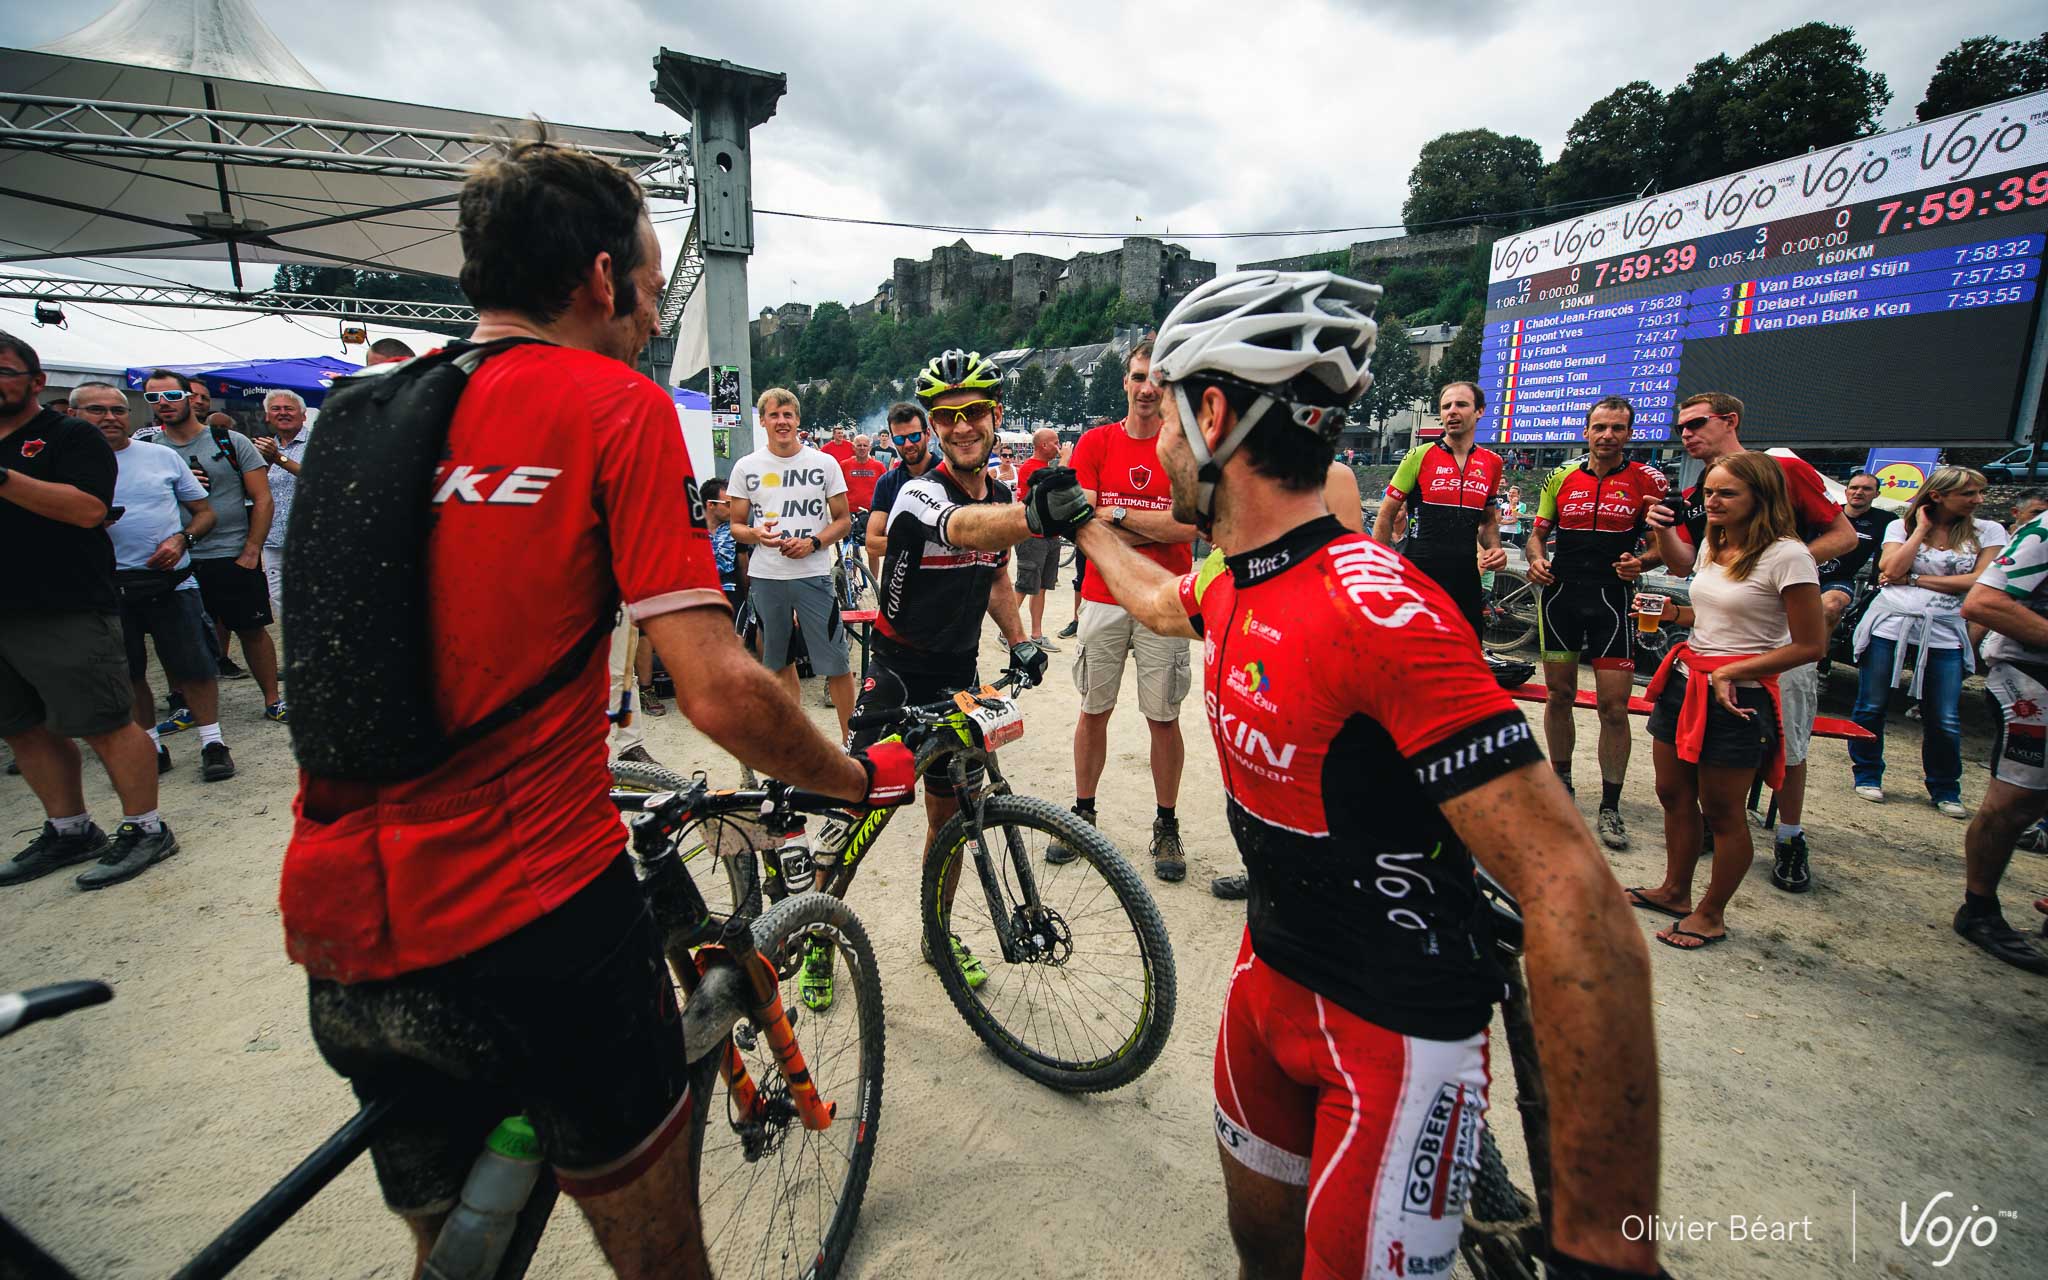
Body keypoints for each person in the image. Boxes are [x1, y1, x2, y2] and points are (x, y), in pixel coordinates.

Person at [280, 134, 914, 1279]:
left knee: (458, 1253)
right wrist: (851, 776)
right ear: (597, 280)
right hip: (530, 911)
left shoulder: (352, 416)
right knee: (658, 1249)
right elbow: (718, 686)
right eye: (647, 286)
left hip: (340, 925)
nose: (650, 318)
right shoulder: (610, 404)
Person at [1073, 271, 1661, 1280]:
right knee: (1261, 1244)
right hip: (1268, 978)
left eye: (1165, 415)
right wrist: (1078, 523)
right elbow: (1166, 602)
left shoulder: (1376, 610)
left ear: (1210, 414)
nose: (1156, 446)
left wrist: (1605, 1240)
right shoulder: (1240, 568)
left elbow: (1574, 890)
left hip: (1391, 1033)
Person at [830, 348, 1073, 1005]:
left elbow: (995, 571)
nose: (962, 426)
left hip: (959, 679)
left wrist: (1021, 642)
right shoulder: (916, 492)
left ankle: (936, 937)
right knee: (857, 815)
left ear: (996, 417)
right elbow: (965, 532)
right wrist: (1034, 516)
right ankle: (818, 939)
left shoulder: (997, 493)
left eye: (974, 413)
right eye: (947, 417)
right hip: (898, 675)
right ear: (933, 428)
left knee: (953, 820)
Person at [1645, 392, 1853, 893]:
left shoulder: (1779, 467)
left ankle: (1789, 837)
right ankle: (1685, 876)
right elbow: (1686, 568)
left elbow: (1844, 537)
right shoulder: (1707, 506)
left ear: (1730, 421)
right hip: (1703, 660)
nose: (1687, 434)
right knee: (1684, 787)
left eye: (1696, 423)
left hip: (1771, 651)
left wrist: (1775, 572)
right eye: (1681, 427)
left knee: (1792, 745)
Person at [1, 340, 183, 889]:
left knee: (105, 720)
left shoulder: (69, 437)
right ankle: (71, 828)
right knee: (22, 727)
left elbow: (88, 510)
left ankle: (147, 828)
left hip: (62, 603)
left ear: (36, 381)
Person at [1634, 452, 1826, 947]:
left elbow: (1811, 644)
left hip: (1739, 696)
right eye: (1709, 493)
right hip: (1685, 680)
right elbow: (1707, 617)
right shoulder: (1714, 544)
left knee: (1722, 811)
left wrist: (1734, 670)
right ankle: (1676, 890)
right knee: (1672, 793)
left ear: (1760, 498)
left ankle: (1711, 913)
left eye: (1726, 494)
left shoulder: (1789, 555)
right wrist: (1671, 611)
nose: (1711, 502)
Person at [1061, 338, 1200, 882]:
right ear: (1125, 382)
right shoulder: (1095, 441)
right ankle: (1083, 813)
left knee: (1163, 716)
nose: (1147, 388)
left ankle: (1166, 824)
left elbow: (1190, 526)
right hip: (1102, 596)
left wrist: (1114, 517)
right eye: (1139, 376)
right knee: (1093, 709)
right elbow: (1079, 519)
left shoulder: (1182, 447)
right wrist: (1144, 521)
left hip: (1168, 599)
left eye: (1158, 380)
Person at [1524, 397, 1668, 850]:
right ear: (1586, 431)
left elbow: (1665, 546)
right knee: (1558, 695)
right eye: (1600, 427)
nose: (1607, 436)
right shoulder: (1560, 476)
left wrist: (1641, 562)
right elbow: (1536, 534)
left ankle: (1611, 805)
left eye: (1617, 428)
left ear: (1629, 434)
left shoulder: (1647, 480)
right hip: (1561, 597)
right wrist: (1534, 559)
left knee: (1614, 708)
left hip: (1611, 600)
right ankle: (1561, 783)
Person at [77, 380, 235, 785]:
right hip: (103, 585)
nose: (110, 418)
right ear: (75, 414)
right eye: (97, 410)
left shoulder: (160, 457)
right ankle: (150, 745)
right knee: (129, 671)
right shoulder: (65, 463)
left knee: (195, 666)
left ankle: (212, 743)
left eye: (117, 410)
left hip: (170, 580)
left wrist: (183, 538)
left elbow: (204, 512)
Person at [1847, 467, 2002, 816]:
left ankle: (1945, 787)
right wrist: (1921, 530)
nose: (1978, 500)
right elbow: (1888, 568)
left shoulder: (1988, 531)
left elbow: (1980, 581)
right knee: (1872, 704)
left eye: (1980, 493)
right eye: (1969, 494)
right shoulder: (1900, 526)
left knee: (1943, 714)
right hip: (1891, 622)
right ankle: (1868, 774)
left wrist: (1914, 579)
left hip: (1945, 628)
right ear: (1938, 495)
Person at [137, 369, 284, 729]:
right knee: (175, 637)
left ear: (191, 398)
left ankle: (273, 700)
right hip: (177, 559)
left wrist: (252, 550)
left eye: (171, 396)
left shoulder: (229, 441)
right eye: (153, 398)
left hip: (230, 553)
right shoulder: (150, 450)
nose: (163, 405)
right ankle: (184, 705)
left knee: (252, 629)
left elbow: (262, 499)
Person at [727, 388, 858, 740]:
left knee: (836, 664)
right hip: (767, 578)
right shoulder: (746, 467)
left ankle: (852, 744)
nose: (781, 421)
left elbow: (843, 520)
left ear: (798, 420)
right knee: (779, 662)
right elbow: (735, 524)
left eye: (787, 415)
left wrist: (814, 542)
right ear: (763, 421)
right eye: (774, 415)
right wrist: (756, 534)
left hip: (813, 574)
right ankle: (796, 743)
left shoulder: (823, 463)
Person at [1956, 511, 2048, 973]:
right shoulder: (2045, 531)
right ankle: (1979, 909)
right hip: (2033, 681)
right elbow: (1983, 603)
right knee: (2018, 802)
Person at [1372, 381, 1507, 635]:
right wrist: (1380, 567)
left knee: (1466, 659)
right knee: (1413, 659)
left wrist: (1495, 547)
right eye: (1446, 407)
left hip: (1465, 577)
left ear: (1480, 411)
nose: (1451, 412)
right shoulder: (1419, 455)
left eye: (1461, 405)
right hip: (1420, 574)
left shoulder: (1492, 463)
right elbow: (1387, 514)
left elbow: (1487, 521)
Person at [251, 389, 312, 627]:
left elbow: (315, 478)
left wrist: (278, 458)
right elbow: (253, 490)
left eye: (289, 408)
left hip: (309, 539)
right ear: (268, 416)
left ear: (303, 416)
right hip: (274, 541)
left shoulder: (319, 442)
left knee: (314, 600)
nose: (283, 413)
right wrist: (265, 460)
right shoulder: (260, 450)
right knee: (282, 603)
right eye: (276, 409)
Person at [1817, 471, 1897, 638]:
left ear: (1877, 494)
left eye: (1866, 489)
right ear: (1846, 492)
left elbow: (1885, 552)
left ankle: (1819, 657)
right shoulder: (1826, 512)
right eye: (1854, 487)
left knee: (1831, 607)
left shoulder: (1885, 520)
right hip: (1804, 573)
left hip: (1838, 579)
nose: (1858, 492)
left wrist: (1876, 583)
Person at [864, 401, 935, 578]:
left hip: (943, 586)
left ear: (928, 434)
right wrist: (930, 541)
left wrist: (898, 541)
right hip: (900, 586)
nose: (908, 444)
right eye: (900, 439)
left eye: (914, 436)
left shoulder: (949, 476)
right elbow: (872, 544)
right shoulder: (887, 483)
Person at [1010, 426, 1064, 648]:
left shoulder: (1046, 467)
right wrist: (1066, 461)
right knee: (1024, 586)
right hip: (1032, 537)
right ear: (1043, 445)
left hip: (1050, 537)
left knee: (1041, 587)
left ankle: (1036, 634)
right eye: (1055, 442)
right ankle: (1008, 634)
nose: (1059, 446)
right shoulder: (1030, 469)